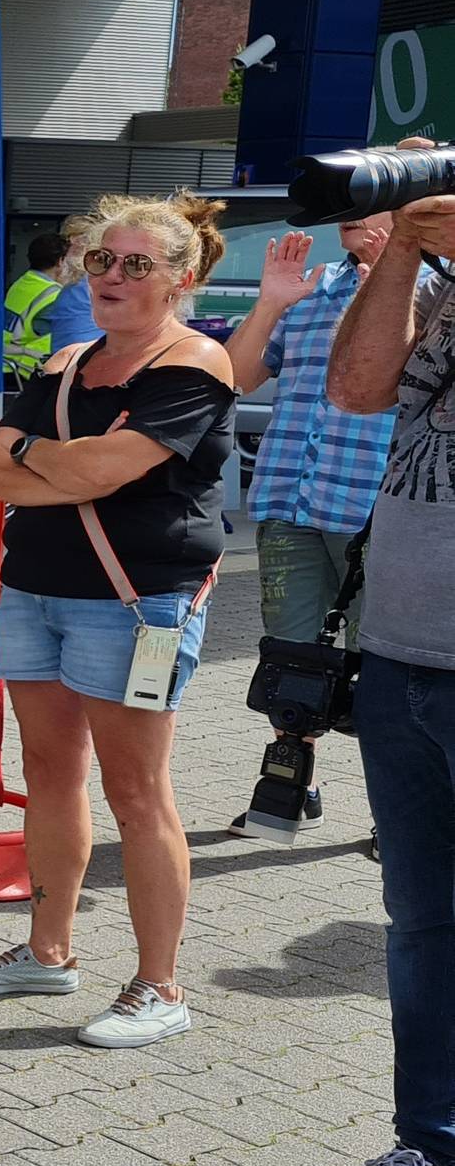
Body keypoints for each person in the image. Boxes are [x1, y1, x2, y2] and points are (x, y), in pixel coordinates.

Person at [0, 192, 237, 1051]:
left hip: (134, 600)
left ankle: (159, 984)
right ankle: (48, 949)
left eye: (136, 264)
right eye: (102, 260)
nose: (110, 276)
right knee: (50, 772)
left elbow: (105, 470)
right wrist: (54, 464)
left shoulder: (194, 366)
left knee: (137, 791)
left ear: (180, 278)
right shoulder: (68, 364)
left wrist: (49, 460)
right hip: (34, 586)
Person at [305, 133, 455, 1166]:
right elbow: (356, 389)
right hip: (402, 650)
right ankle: (432, 1146)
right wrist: (399, 247)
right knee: (421, 923)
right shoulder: (430, 275)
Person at [222, 217, 411, 841]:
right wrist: (270, 301)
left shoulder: (434, 292)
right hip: (289, 500)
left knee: (386, 672)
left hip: (379, 513)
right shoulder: (312, 287)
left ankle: (407, 816)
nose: (353, 209)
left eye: (375, 196)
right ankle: (288, 788)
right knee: (290, 658)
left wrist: (393, 281)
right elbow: (236, 378)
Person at [4, 232, 70, 385]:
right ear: (60, 261)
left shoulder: (21, 283)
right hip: (24, 370)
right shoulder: (55, 296)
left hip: (6, 361)